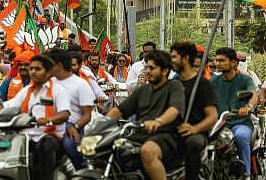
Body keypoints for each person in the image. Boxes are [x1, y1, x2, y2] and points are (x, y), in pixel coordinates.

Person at [106, 50, 185, 180]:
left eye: (152, 68)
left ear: (165, 71)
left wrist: (158, 122)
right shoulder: (143, 89)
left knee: (148, 151)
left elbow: (174, 109)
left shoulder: (174, 86)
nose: (147, 71)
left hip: (166, 134)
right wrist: (100, 123)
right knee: (114, 149)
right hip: (141, 134)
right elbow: (120, 110)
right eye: (146, 67)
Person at [2, 54, 71, 179]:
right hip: (27, 137)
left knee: (46, 144)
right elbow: (10, 105)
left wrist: (48, 120)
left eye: (37, 69)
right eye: (31, 68)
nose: (33, 72)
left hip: (49, 136)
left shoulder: (58, 90)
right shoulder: (26, 90)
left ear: (48, 72)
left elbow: (65, 114)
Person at [170, 41, 217, 180]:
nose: (170, 61)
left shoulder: (203, 84)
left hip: (196, 133)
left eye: (174, 57)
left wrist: (194, 129)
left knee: (192, 143)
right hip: (173, 131)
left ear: (185, 59)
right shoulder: (173, 83)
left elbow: (212, 116)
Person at [211, 47, 258, 178]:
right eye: (216, 60)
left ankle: (246, 174)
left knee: (241, 136)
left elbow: (254, 95)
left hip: (240, 123)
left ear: (233, 63)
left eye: (222, 60)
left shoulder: (244, 79)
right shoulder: (214, 81)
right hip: (219, 125)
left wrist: (248, 107)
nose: (217, 63)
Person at [46, 49, 94, 170]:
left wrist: (74, 127)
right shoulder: (48, 83)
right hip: (50, 125)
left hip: (73, 127)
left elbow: (87, 115)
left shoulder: (81, 85)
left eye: (50, 64)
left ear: (59, 65)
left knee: (69, 144)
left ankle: (83, 171)